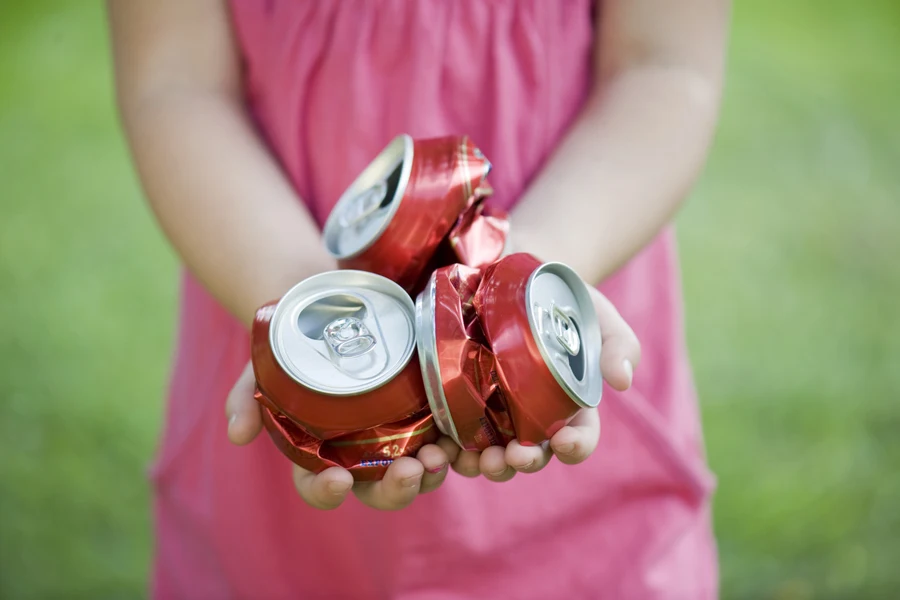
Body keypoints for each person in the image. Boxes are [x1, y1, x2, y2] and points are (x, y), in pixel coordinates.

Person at [108, 1, 729, 598]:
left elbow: (666, 67)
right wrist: (297, 299)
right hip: (257, 275)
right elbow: (175, 84)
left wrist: (529, 270)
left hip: (579, 263)